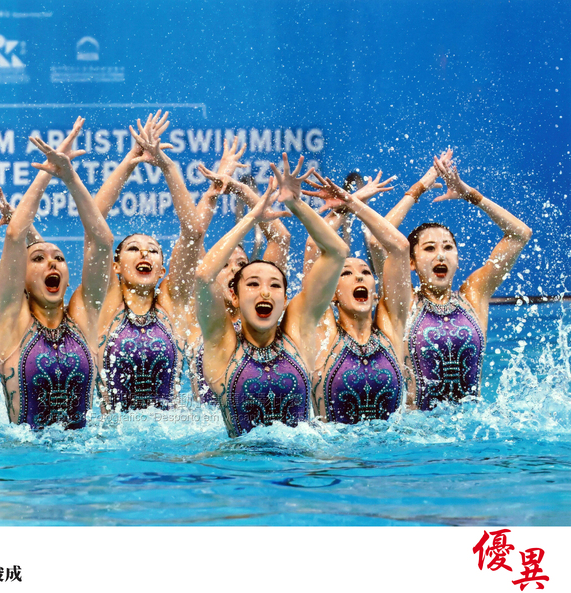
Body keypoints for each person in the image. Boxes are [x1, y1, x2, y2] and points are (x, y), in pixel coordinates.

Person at [195, 154, 349, 437]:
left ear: (285, 299)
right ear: (235, 297)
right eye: (253, 284)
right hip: (238, 464)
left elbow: (337, 252)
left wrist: (296, 204)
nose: (265, 291)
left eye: (275, 286)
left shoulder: (298, 331)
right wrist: (252, 217)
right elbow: (204, 277)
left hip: (301, 461)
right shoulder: (222, 343)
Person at [370, 151, 532, 409]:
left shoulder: (473, 296)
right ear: (411, 262)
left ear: (457, 258)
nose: (440, 255)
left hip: (473, 426)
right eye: (429, 248)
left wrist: (471, 195)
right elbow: (377, 241)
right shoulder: (403, 302)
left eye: (447, 247)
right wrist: (418, 189)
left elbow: (520, 234)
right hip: (416, 428)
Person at [0, 118, 114, 430]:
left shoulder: (84, 315)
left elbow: (103, 241)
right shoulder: (12, 319)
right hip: (24, 455)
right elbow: (15, 235)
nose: (52, 263)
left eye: (59, 258)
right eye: (38, 258)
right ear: (21, 277)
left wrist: (70, 177)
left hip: (85, 454)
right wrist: (47, 172)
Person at [92, 112, 200, 412]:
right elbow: (94, 223)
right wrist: (130, 161)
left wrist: (168, 166)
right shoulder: (105, 302)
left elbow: (193, 233)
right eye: (133, 249)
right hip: (111, 434)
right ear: (115, 266)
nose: (144, 254)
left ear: (162, 270)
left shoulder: (172, 302)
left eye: (153, 250)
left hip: (169, 433)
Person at [301, 170, 411, 424]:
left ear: (375, 292)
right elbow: (314, 246)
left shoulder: (391, 328)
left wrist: (353, 202)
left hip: (393, 447)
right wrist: (342, 209)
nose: (359, 277)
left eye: (365, 272)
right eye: (346, 273)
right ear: (332, 294)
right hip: (333, 448)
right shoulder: (322, 331)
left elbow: (400, 247)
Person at [189, 147, 291, 404]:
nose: (234, 270)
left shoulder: (267, 319)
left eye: (241, 264)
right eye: (224, 265)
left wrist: (242, 190)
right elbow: (194, 235)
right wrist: (213, 192)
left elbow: (280, 238)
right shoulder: (195, 316)